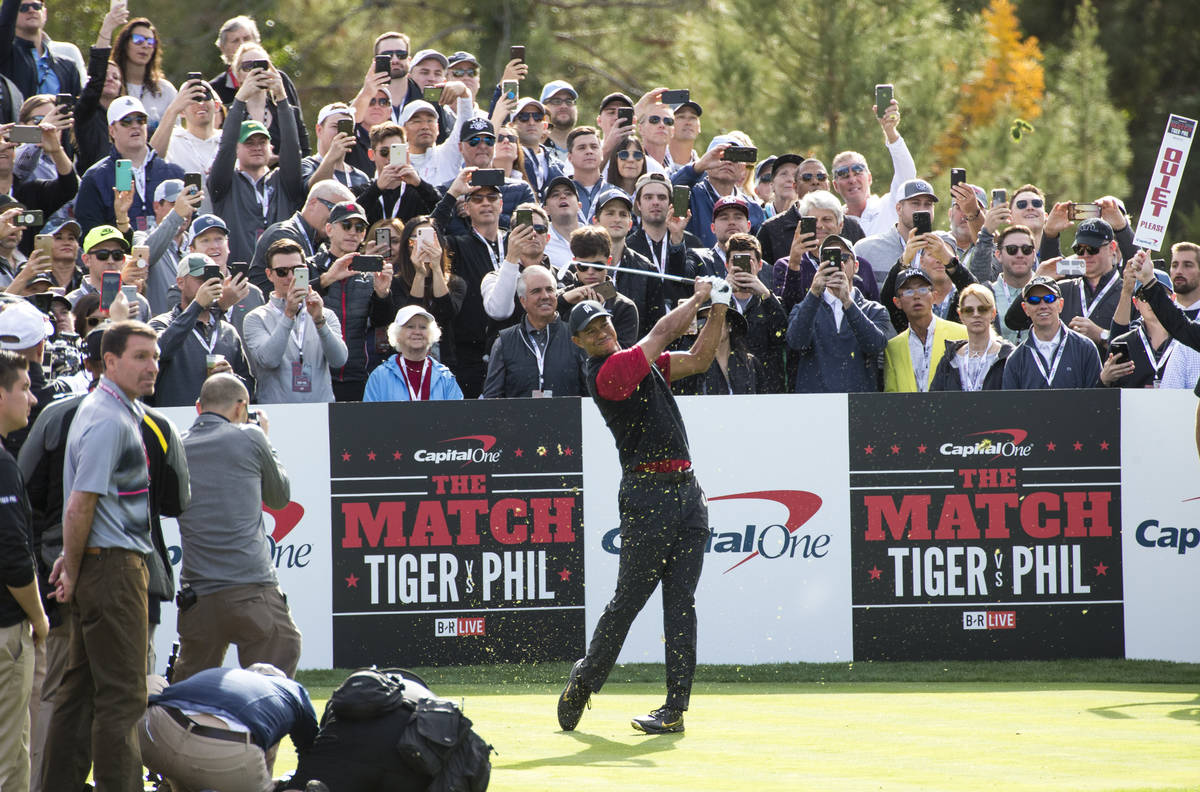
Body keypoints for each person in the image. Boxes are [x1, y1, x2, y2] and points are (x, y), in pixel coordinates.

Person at [559, 274, 731, 736]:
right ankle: (585, 681)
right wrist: (699, 297)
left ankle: (674, 708)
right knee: (628, 602)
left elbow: (697, 359)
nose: (601, 332)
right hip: (648, 495)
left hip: (687, 493)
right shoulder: (608, 372)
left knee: (681, 604)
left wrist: (717, 307)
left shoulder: (641, 364)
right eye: (591, 331)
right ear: (579, 342)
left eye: (604, 324)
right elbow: (661, 335)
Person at [41, 320, 162, 790]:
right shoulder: (109, 418)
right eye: (140, 357)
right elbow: (80, 502)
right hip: (113, 568)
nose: (152, 366)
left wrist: (75, 563)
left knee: (78, 694)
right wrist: (73, 565)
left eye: (154, 356)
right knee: (123, 699)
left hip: (102, 563)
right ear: (109, 362)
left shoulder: (111, 409)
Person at [172, 374, 299, 681]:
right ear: (242, 407)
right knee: (280, 661)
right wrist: (264, 437)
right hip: (250, 586)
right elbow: (280, 498)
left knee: (189, 693)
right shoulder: (250, 437)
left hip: (197, 593)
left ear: (199, 407)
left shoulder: (178, 445)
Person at [140, 664, 317, 792]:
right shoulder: (293, 690)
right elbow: (313, 752)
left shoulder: (219, 674)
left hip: (153, 734)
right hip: (229, 755)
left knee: (155, 680)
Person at [0, 349, 45, 792]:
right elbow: (13, 556)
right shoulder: (2, 465)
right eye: (24, 388)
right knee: (10, 760)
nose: (31, 399)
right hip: (6, 633)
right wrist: (39, 617)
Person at [209, 67, 305, 268]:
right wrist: (240, 99)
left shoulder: (282, 181)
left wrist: (281, 98)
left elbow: (292, 146)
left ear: (271, 147)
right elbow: (225, 147)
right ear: (237, 148)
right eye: (249, 143)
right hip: (239, 276)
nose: (256, 147)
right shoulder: (225, 183)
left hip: (282, 275)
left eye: (262, 142)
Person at [431, 167, 507, 397]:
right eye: (477, 198)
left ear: (501, 205)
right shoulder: (457, 246)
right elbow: (427, 234)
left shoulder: (516, 241)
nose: (486, 203)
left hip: (515, 350)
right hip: (469, 357)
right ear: (467, 207)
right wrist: (453, 192)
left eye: (492, 197)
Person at [243, 239, 348, 404]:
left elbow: (339, 360)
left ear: (305, 270)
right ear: (269, 275)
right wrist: (288, 315)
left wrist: (320, 322)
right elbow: (269, 360)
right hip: (277, 414)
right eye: (282, 272)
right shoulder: (256, 318)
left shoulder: (324, 314)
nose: (291, 277)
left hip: (320, 412)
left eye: (297, 270)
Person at [311, 201, 395, 402]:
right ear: (329, 229)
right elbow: (291, 303)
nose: (353, 233)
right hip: (316, 374)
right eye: (346, 226)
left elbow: (381, 323)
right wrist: (327, 279)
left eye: (360, 228)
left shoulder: (369, 273)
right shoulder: (308, 265)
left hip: (358, 375)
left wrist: (382, 293)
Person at [787, 235, 891, 393]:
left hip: (858, 405)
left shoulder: (875, 310)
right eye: (829, 258)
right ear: (819, 267)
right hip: (815, 406)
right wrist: (814, 293)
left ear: (856, 266)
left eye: (844, 257)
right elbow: (796, 342)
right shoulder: (804, 308)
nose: (838, 263)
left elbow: (874, 346)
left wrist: (847, 302)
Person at [149, 252, 252, 408]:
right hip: (177, 422)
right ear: (180, 282)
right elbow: (159, 351)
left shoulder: (228, 332)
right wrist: (196, 305)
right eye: (201, 279)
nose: (207, 285)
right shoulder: (161, 323)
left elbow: (251, 388)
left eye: (212, 279)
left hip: (220, 423)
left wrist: (232, 379)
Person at [74, 95, 186, 234]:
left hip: (169, 253)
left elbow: (191, 224)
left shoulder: (174, 173)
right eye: (126, 121)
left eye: (141, 120)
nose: (135, 125)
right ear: (112, 130)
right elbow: (88, 233)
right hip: (119, 254)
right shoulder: (95, 177)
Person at [483, 263, 587, 398]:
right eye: (536, 291)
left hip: (570, 418)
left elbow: (591, 395)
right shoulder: (504, 342)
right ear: (522, 301)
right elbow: (492, 399)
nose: (545, 296)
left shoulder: (577, 338)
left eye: (550, 290)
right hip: (518, 418)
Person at [247, 178, 355, 292]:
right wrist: (327, 278)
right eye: (334, 211)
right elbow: (295, 289)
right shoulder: (283, 235)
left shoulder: (318, 239)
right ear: (313, 203)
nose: (338, 219)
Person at [830, 96, 915, 237]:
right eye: (844, 174)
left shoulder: (890, 205)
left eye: (857, 171)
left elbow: (907, 173)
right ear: (836, 186)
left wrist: (890, 131)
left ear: (869, 178)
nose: (852, 179)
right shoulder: (833, 222)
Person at [1001, 275, 1101, 390]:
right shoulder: (1016, 359)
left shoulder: (1085, 348)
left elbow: (1095, 401)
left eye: (1049, 299)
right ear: (1025, 309)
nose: (1043, 306)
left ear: (1060, 304)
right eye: (1034, 301)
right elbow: (1011, 406)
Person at [671, 134, 765, 247]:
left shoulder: (753, 208)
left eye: (734, 157)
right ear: (706, 160)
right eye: (721, 156)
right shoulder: (690, 197)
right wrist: (698, 167)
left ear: (743, 168)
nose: (728, 162)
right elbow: (667, 191)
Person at [883, 268, 969, 392]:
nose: (916, 296)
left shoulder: (961, 334)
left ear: (934, 296)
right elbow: (891, 395)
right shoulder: (893, 348)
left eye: (923, 289)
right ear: (897, 302)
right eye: (908, 291)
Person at [364, 304, 463, 401]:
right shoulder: (379, 377)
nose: (417, 332)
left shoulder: (445, 377)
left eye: (423, 327)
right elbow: (370, 416)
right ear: (397, 334)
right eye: (410, 327)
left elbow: (457, 415)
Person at [1101, 265, 1175, 389]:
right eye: (1144, 296)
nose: (1152, 300)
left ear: (1173, 298)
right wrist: (1104, 380)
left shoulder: (1186, 340)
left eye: (1160, 294)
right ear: (1136, 303)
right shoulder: (1122, 343)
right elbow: (1105, 402)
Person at [930, 283, 1013, 391]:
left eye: (982, 309)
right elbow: (935, 400)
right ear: (961, 316)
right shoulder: (949, 359)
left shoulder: (1008, 357)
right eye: (969, 310)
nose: (976, 314)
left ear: (993, 313)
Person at [357, 120, 440, 224]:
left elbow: (444, 214)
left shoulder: (418, 191)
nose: (390, 157)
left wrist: (420, 184)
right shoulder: (362, 190)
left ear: (406, 153)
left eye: (397, 151)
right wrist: (376, 189)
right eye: (384, 152)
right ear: (371, 154)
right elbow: (350, 217)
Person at [0, 0, 83, 102]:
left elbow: (81, 108)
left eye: (36, 6)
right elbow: (5, 24)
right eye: (23, 8)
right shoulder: (7, 55)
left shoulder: (67, 66)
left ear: (45, 13)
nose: (31, 10)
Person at [109, 17, 175, 130]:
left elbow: (175, 132)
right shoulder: (111, 85)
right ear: (125, 44)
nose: (145, 45)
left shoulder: (166, 90)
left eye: (150, 42)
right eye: (138, 39)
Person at [301, 102, 370, 193]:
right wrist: (332, 156)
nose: (340, 133)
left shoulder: (361, 177)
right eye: (335, 126)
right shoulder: (306, 166)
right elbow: (314, 191)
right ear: (319, 130)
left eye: (346, 128)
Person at [986, 225, 1037, 345]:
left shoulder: (1050, 292)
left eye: (1026, 249)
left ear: (1034, 254)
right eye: (1012, 249)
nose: (1020, 255)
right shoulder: (987, 294)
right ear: (998, 255)